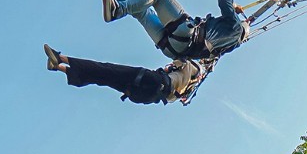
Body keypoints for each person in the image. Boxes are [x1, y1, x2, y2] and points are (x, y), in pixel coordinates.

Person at [88, 0, 250, 61]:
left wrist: (235, 7)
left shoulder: (235, 26)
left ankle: (118, 10)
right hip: (172, 50)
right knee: (141, 11)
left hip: (187, 33)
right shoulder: (229, 46)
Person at [43, 44, 203, 105]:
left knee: (105, 69)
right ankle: (58, 67)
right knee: (103, 78)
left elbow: (175, 61)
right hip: (146, 96)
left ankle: (61, 58)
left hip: (151, 79)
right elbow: (170, 98)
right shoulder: (188, 91)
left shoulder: (194, 66)